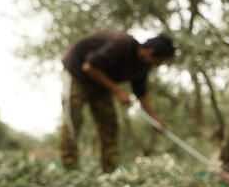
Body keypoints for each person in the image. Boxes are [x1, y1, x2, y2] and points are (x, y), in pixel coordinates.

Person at [60, 31, 175, 172]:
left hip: (100, 82)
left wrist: (155, 119)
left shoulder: (142, 67)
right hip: (77, 73)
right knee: (73, 117)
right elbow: (89, 67)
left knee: (109, 123)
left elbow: (142, 95)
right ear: (150, 52)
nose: (158, 65)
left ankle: (110, 170)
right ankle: (70, 168)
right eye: (159, 61)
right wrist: (117, 91)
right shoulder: (122, 44)